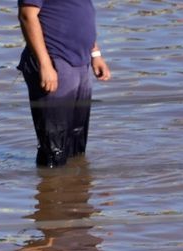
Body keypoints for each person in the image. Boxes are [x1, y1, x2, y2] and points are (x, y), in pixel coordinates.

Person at [16, 0, 109, 169]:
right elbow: (27, 16)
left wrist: (95, 54)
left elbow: (82, 13)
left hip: (81, 62)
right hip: (54, 62)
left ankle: (76, 191)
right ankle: (51, 191)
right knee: (54, 147)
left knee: (76, 141)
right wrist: (45, 64)